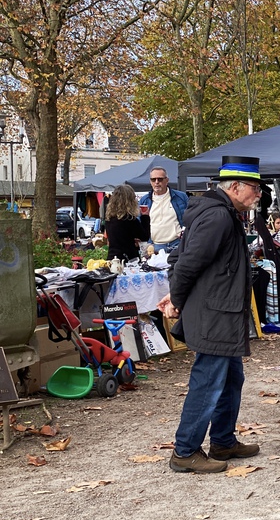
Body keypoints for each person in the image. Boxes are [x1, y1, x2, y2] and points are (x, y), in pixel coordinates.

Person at [158, 155, 263, 473]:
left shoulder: (221, 213)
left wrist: (176, 295)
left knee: (231, 379)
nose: (259, 193)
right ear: (236, 186)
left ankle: (222, 441)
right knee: (208, 382)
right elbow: (187, 263)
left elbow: (181, 258)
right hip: (215, 315)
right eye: (255, 187)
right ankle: (185, 451)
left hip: (222, 313)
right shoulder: (218, 216)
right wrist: (176, 299)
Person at [138, 167, 189, 252]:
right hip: (154, 246)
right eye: (153, 179)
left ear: (167, 180)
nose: (156, 182)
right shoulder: (144, 200)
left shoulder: (181, 197)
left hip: (177, 244)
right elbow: (139, 223)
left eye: (160, 179)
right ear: (150, 181)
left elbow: (190, 218)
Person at [104, 184, 150, 262]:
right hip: (128, 259)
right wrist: (145, 217)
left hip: (112, 257)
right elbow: (145, 236)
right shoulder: (129, 219)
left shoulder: (109, 218)